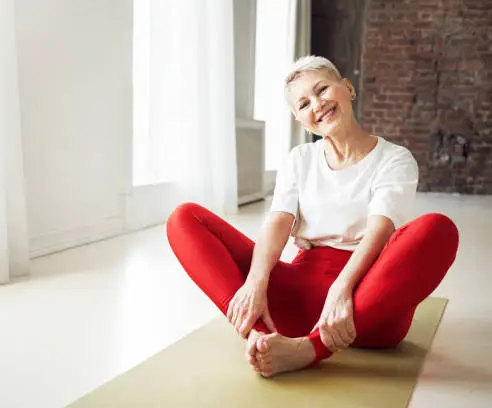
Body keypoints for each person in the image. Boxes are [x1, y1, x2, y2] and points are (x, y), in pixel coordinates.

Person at [166, 55, 459, 377]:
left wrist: (342, 288)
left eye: (322, 90)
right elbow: (279, 221)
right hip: (297, 304)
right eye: (304, 104)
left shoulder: (394, 159)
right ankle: (260, 338)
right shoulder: (300, 159)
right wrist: (255, 284)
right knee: (185, 218)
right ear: (300, 121)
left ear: (347, 88)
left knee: (438, 228)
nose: (317, 104)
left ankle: (310, 349)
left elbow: (380, 229)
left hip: (367, 308)